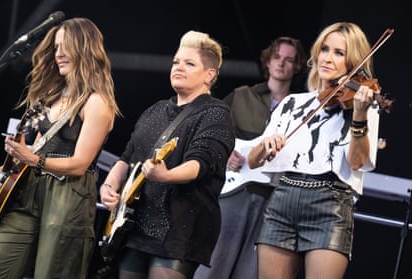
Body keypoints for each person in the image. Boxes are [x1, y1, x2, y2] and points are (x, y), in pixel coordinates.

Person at [0, 17, 120, 279]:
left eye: (66, 46)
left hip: (68, 195)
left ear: (84, 48)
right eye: (56, 47)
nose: (58, 53)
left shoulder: (97, 103)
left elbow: (80, 163)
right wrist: (4, 176)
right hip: (28, 190)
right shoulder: (50, 96)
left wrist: (31, 159)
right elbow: (37, 147)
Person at [247, 22, 382, 279]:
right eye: (325, 49)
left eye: (339, 53)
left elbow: (356, 162)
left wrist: (360, 115)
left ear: (353, 62)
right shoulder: (291, 103)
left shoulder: (363, 106)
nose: (328, 58)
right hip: (282, 201)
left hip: (330, 206)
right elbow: (253, 161)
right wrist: (265, 144)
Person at [99, 30, 235, 279]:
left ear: (210, 74)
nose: (179, 67)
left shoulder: (215, 113)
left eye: (189, 63)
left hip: (179, 230)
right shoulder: (156, 110)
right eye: (176, 62)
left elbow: (202, 163)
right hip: (134, 225)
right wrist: (110, 185)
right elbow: (127, 157)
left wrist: (167, 175)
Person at [194, 36, 307, 279]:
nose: (281, 64)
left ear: (297, 66)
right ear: (267, 61)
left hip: (273, 199)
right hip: (234, 192)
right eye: (277, 57)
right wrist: (224, 155)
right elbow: (210, 132)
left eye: (289, 60)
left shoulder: (301, 107)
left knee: (251, 270)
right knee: (213, 266)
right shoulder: (242, 96)